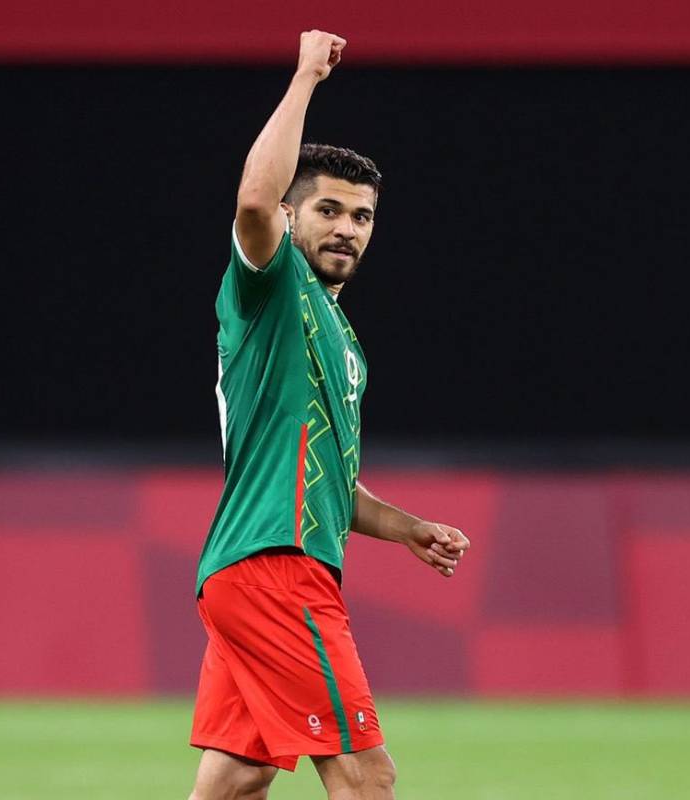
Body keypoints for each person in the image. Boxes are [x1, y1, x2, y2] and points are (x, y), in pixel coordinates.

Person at [188, 31, 471, 800]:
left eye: (364, 216)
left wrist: (408, 529)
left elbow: (334, 489)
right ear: (292, 216)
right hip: (275, 568)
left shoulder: (344, 341)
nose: (349, 227)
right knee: (364, 776)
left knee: (236, 781)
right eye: (330, 209)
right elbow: (252, 200)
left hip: (260, 569)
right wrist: (307, 76)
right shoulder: (270, 291)